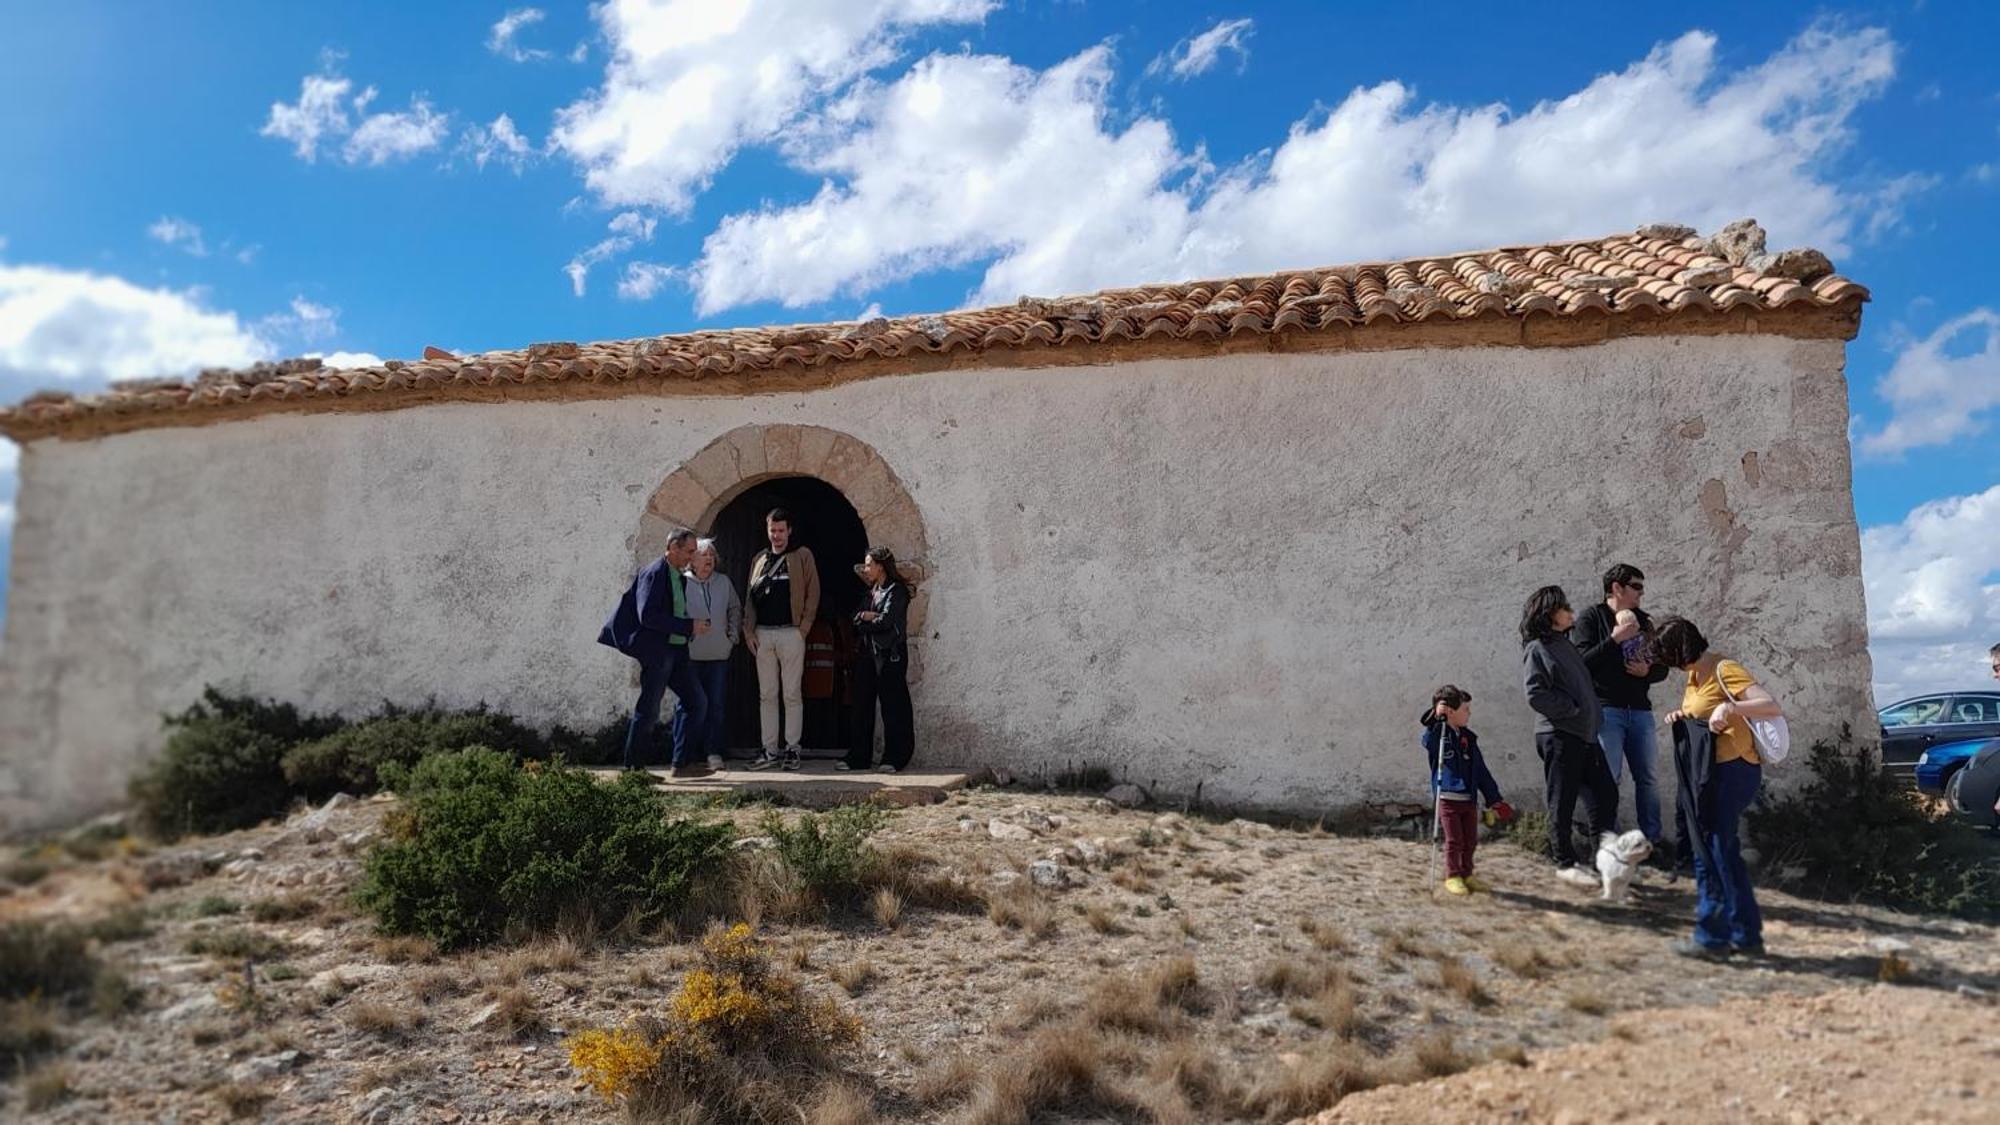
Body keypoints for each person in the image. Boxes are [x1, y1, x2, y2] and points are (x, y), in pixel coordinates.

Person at [1656, 616, 1781, 959]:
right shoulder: (1695, 675)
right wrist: (1680, 717)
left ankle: (1714, 938)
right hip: (1711, 773)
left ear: (1680, 650)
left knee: (1711, 850)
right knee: (1719, 850)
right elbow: (1701, 714)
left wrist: (1731, 706)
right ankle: (1744, 935)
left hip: (1734, 771)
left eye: (1667, 654)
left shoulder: (1724, 669)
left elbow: (1770, 705)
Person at [598, 528, 712, 779]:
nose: (692, 558)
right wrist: (688, 626)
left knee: (697, 703)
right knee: (649, 709)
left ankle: (681, 764)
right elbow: (647, 616)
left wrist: (690, 626)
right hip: (657, 651)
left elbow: (672, 613)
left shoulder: (678, 576)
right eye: (689, 552)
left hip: (677, 650)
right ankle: (633, 770)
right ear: (673, 548)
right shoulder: (655, 573)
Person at [1520, 585, 1612, 889]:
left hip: (1584, 736)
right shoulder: (1538, 648)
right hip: (1559, 735)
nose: (1571, 611)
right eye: (1565, 607)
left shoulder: (1566, 645)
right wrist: (1571, 709)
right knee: (1562, 801)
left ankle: (1603, 861)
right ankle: (1564, 862)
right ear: (1549, 615)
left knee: (1605, 795)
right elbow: (1535, 694)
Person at [1570, 564, 1670, 845]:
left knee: (1648, 779)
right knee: (1608, 779)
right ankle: (1609, 841)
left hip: (1640, 711)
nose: (1642, 592)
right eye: (1636, 586)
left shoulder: (1643, 621)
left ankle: (1651, 840)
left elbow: (1662, 667)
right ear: (1617, 588)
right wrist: (1615, 639)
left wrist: (1647, 672)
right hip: (1606, 710)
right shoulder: (1592, 617)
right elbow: (1581, 664)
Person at [744, 508, 820, 771]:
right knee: (767, 694)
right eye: (772, 530)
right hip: (763, 633)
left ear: (789, 530)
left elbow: (813, 592)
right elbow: (750, 599)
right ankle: (769, 750)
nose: (776, 536)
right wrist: (749, 632)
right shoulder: (760, 559)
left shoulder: (802, 556)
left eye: (780, 530)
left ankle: (792, 749)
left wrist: (804, 628)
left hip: (791, 632)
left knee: (791, 693)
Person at [1419, 685, 1512, 896]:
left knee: (1470, 840)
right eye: (1465, 709)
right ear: (1450, 712)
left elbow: (1481, 771)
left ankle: (1467, 873)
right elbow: (1428, 742)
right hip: (1448, 799)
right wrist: (1436, 718)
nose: (1469, 713)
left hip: (1468, 798)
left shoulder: (1469, 739)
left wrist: (1494, 799)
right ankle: (1453, 876)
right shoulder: (1438, 736)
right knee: (1454, 840)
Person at [842, 547, 915, 774]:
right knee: (862, 706)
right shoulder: (871, 592)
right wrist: (866, 617)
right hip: (869, 654)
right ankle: (858, 757)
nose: (865, 569)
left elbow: (885, 621)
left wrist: (868, 619)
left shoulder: (897, 591)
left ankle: (895, 757)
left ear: (880, 566)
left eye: (868, 564)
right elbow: (856, 617)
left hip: (890, 655)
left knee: (893, 707)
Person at [675, 538, 741, 772]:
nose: (709, 560)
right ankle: (685, 755)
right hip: (690, 656)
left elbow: (735, 608)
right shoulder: (682, 583)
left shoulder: (724, 582)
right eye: (704, 556)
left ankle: (714, 752)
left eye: (712, 556)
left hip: (718, 656)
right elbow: (675, 612)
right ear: (692, 561)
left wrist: (732, 636)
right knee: (688, 705)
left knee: (716, 705)